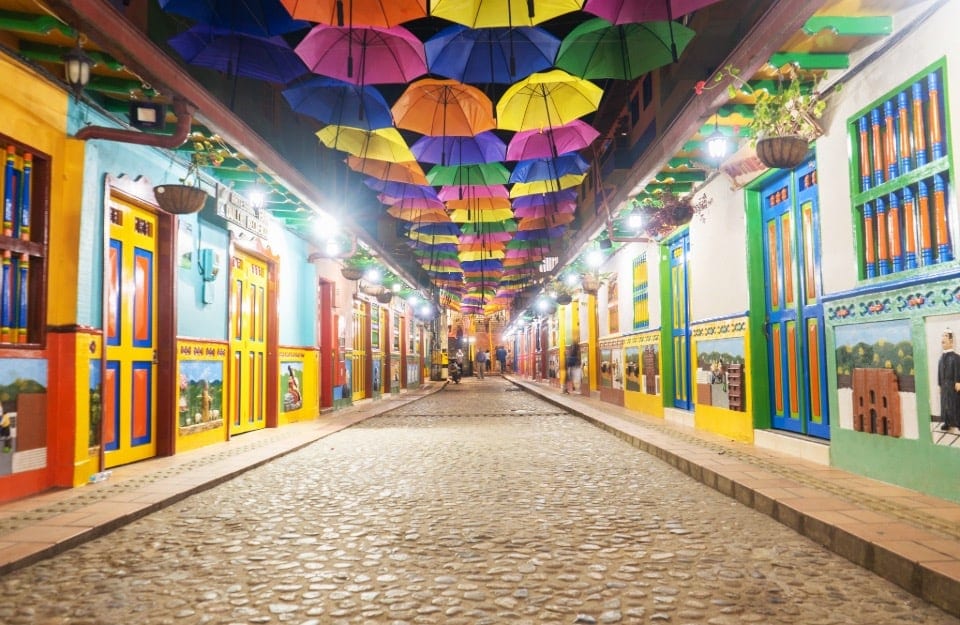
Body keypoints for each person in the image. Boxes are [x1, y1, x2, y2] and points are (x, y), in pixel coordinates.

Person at [938, 328, 960, 431]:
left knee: (954, 402)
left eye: (946, 336)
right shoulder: (941, 358)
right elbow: (939, 372)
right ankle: (946, 422)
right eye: (943, 336)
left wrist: (958, 381)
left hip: (952, 385)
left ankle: (958, 422)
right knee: (944, 403)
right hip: (944, 385)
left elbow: (958, 369)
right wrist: (939, 384)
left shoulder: (956, 357)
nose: (943, 338)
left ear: (951, 341)